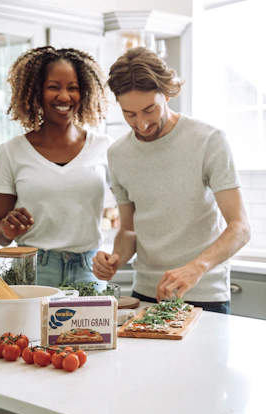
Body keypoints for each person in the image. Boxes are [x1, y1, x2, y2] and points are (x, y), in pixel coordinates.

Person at [92, 47, 251, 314]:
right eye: (129, 114)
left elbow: (241, 227)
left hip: (202, 295)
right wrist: (115, 259)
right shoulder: (117, 153)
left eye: (149, 110)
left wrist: (195, 268)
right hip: (144, 294)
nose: (141, 124)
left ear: (167, 93)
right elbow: (129, 230)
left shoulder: (208, 141)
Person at [0, 46, 112, 289]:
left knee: (91, 329)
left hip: (88, 270)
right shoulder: (12, 151)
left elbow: (133, 212)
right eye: (54, 87)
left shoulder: (104, 147)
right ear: (36, 92)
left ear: (84, 92)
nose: (64, 97)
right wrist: (7, 229)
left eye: (73, 88)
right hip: (31, 271)